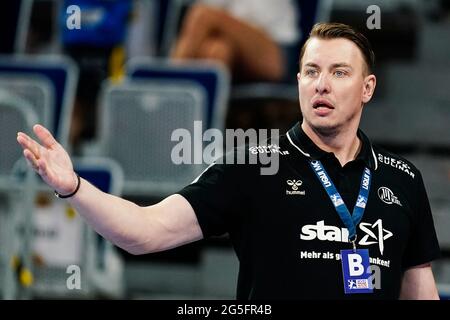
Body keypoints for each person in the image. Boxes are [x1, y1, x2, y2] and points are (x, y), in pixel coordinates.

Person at [17, 22, 441, 299]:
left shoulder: (402, 179)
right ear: (298, 81)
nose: (321, 86)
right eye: (311, 72)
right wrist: (72, 186)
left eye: (339, 73)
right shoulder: (253, 166)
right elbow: (144, 232)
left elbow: (419, 293)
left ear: (367, 88)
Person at [170, 0, 300, 82]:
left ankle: (169, 86)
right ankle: (200, 123)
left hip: (278, 51)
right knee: (217, 51)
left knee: (202, 15)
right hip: (234, 48)